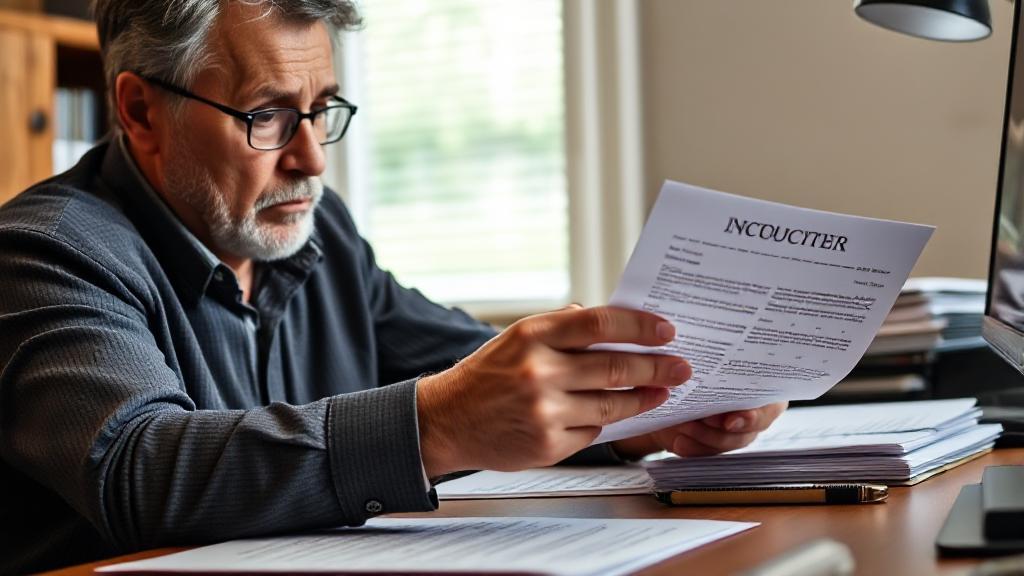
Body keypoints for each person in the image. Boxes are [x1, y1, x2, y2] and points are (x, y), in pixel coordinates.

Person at [0, 0, 785, 572]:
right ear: (141, 110)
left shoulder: (319, 231)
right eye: (268, 116)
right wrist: (437, 423)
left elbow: (484, 373)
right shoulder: (46, 252)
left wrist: (642, 411)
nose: (311, 159)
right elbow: (142, 469)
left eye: (323, 109)